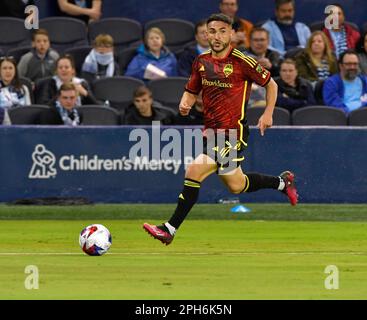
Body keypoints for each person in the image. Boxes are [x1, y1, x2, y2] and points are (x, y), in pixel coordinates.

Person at [143, 14, 298, 245]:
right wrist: (185, 102)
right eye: (212, 31)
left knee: (194, 171)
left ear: (232, 34)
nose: (216, 36)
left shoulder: (242, 61)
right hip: (212, 133)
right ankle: (282, 183)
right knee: (237, 185)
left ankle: (169, 228)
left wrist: (268, 113)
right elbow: (191, 90)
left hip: (233, 133)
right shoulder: (201, 61)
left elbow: (271, 84)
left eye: (222, 31)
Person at [323, 49, 367, 114]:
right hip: (342, 120)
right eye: (348, 64)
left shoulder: (364, 81)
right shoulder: (331, 83)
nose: (352, 67)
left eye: (355, 64)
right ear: (340, 66)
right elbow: (335, 107)